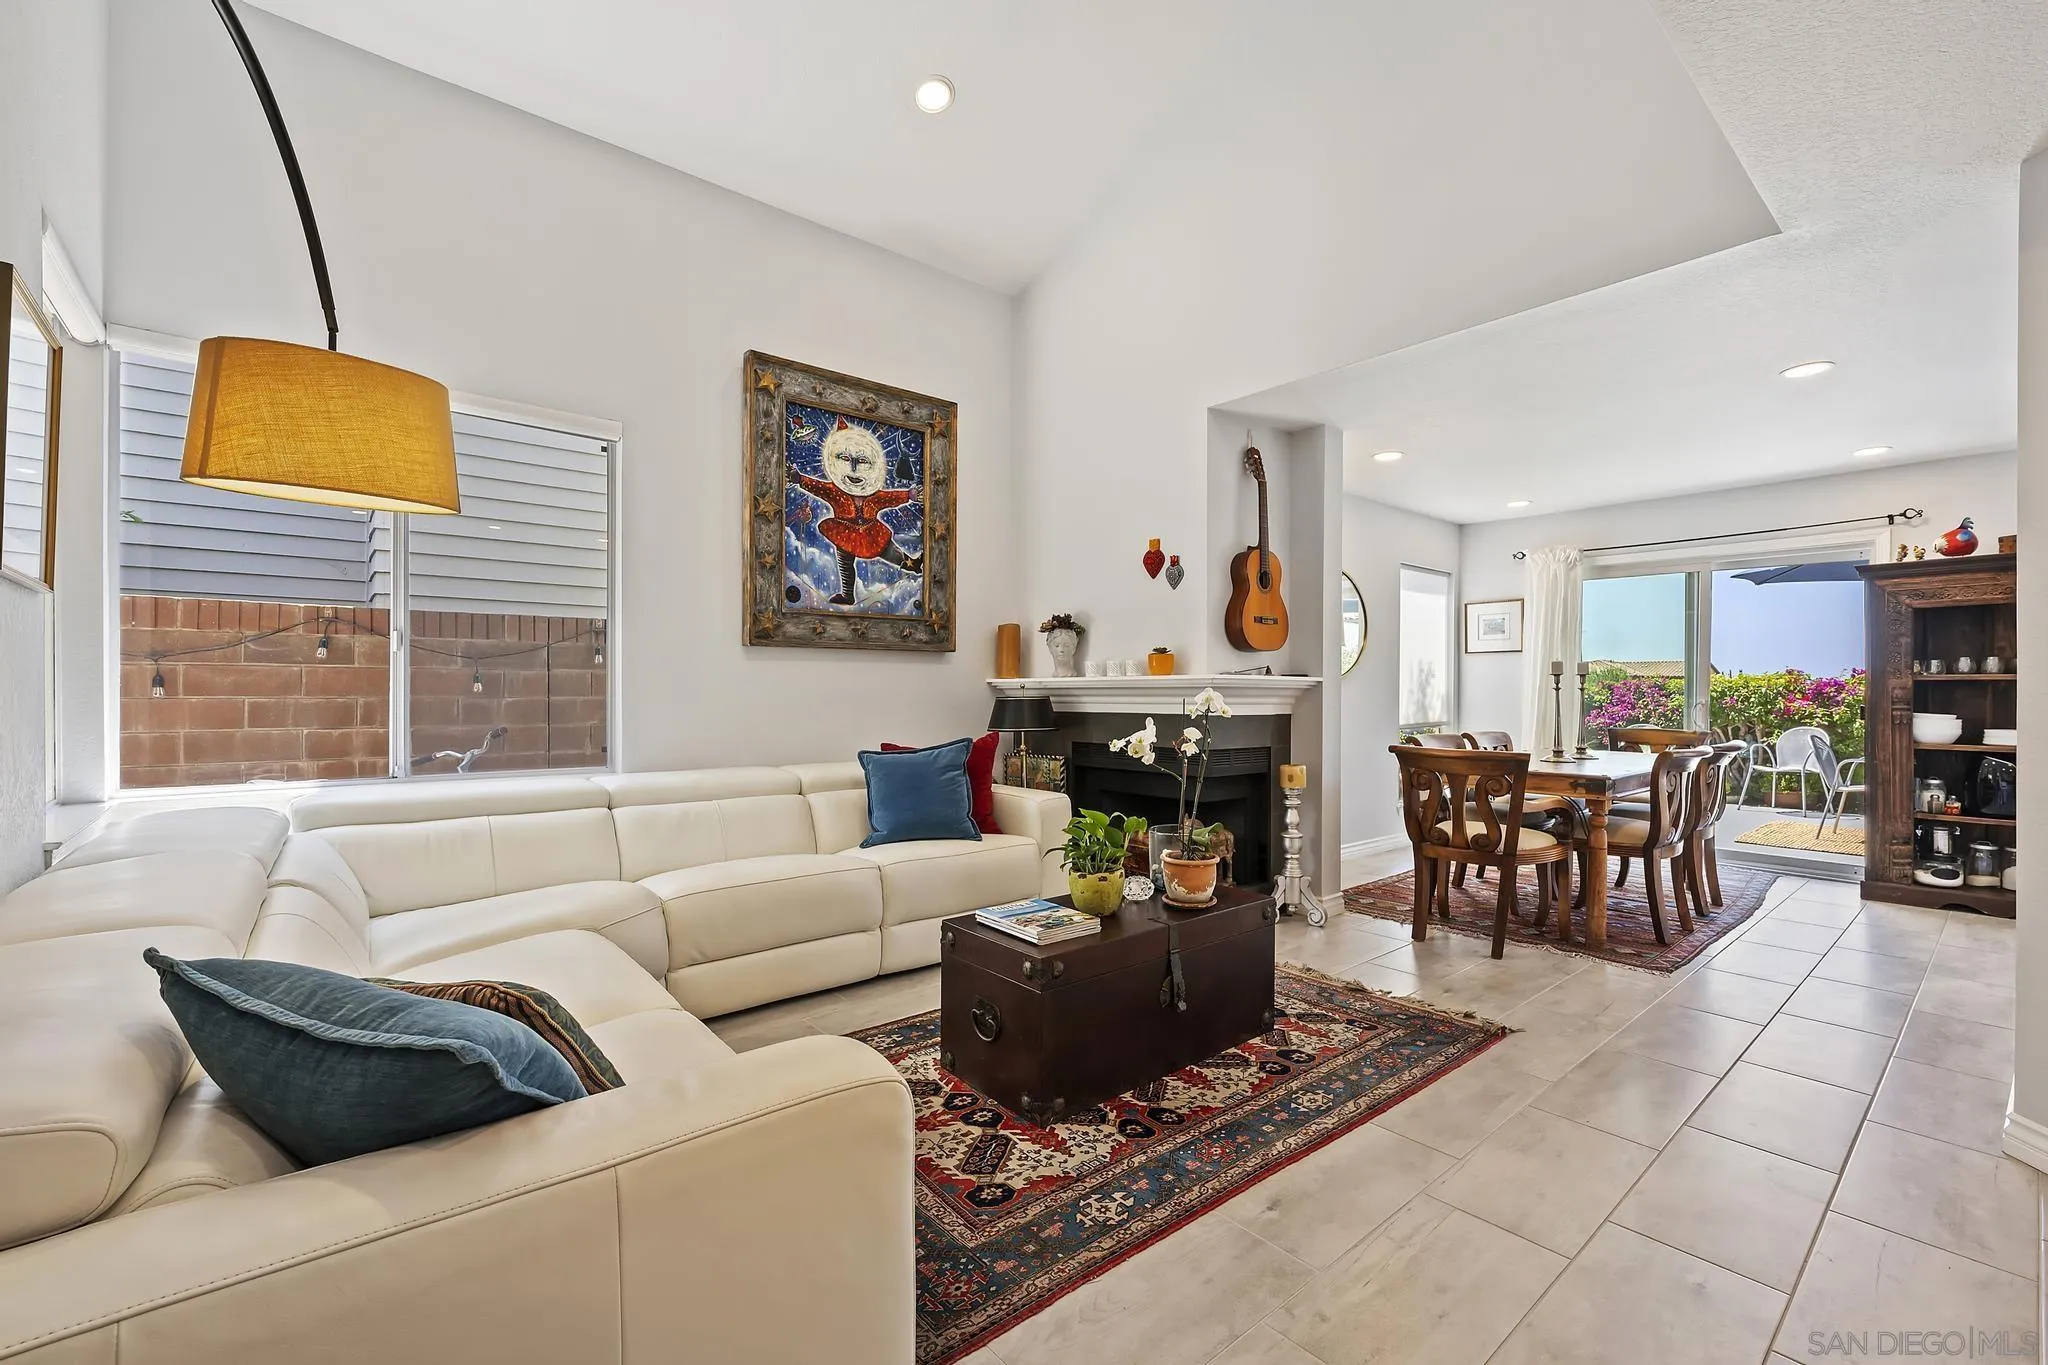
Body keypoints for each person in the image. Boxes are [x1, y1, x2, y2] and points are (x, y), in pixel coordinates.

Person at [789, 417, 922, 606]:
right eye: (845, 459)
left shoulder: (875, 495)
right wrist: (799, 478)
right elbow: (816, 487)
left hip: (872, 534)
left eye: (861, 461)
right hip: (844, 533)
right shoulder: (835, 491)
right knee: (845, 565)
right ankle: (848, 595)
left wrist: (909, 494)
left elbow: (891, 498)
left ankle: (914, 565)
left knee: (893, 554)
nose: (853, 468)